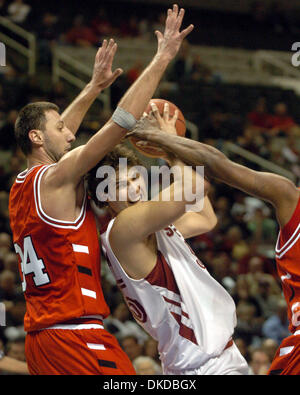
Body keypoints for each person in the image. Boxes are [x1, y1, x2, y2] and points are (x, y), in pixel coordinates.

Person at [8, 4, 194, 375]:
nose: (71, 132)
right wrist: (162, 58)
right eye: (59, 128)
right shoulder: (57, 177)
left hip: (41, 340)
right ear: (37, 137)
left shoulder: (21, 185)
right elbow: (121, 121)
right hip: (75, 335)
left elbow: (60, 134)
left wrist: (93, 86)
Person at [129, 103, 300, 375]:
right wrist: (167, 141)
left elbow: (205, 214)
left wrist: (166, 142)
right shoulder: (290, 198)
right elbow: (217, 167)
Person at [88, 108, 249, 375]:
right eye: (120, 184)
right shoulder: (123, 229)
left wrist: (168, 151)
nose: (134, 188)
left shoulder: (148, 227)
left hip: (213, 358)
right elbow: (195, 188)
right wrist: (169, 141)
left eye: (135, 177)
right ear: (102, 197)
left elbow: (205, 218)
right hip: (202, 366)